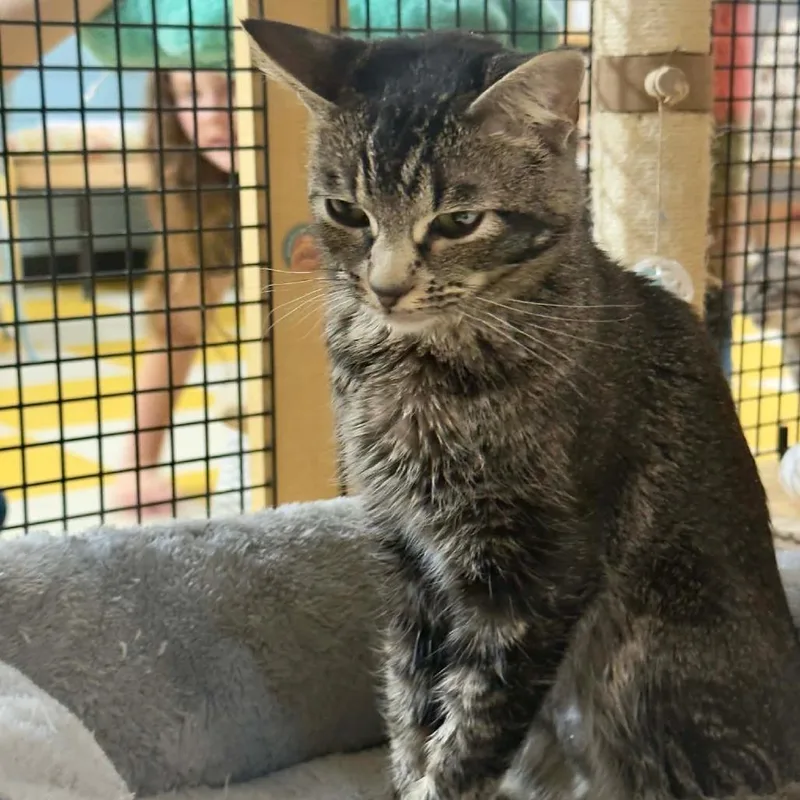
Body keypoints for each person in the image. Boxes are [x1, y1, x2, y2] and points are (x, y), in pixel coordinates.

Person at [112, 68, 240, 517]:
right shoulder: (203, 188)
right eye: (191, 93)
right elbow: (176, 329)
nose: (213, 114)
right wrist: (136, 467)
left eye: (232, 87)